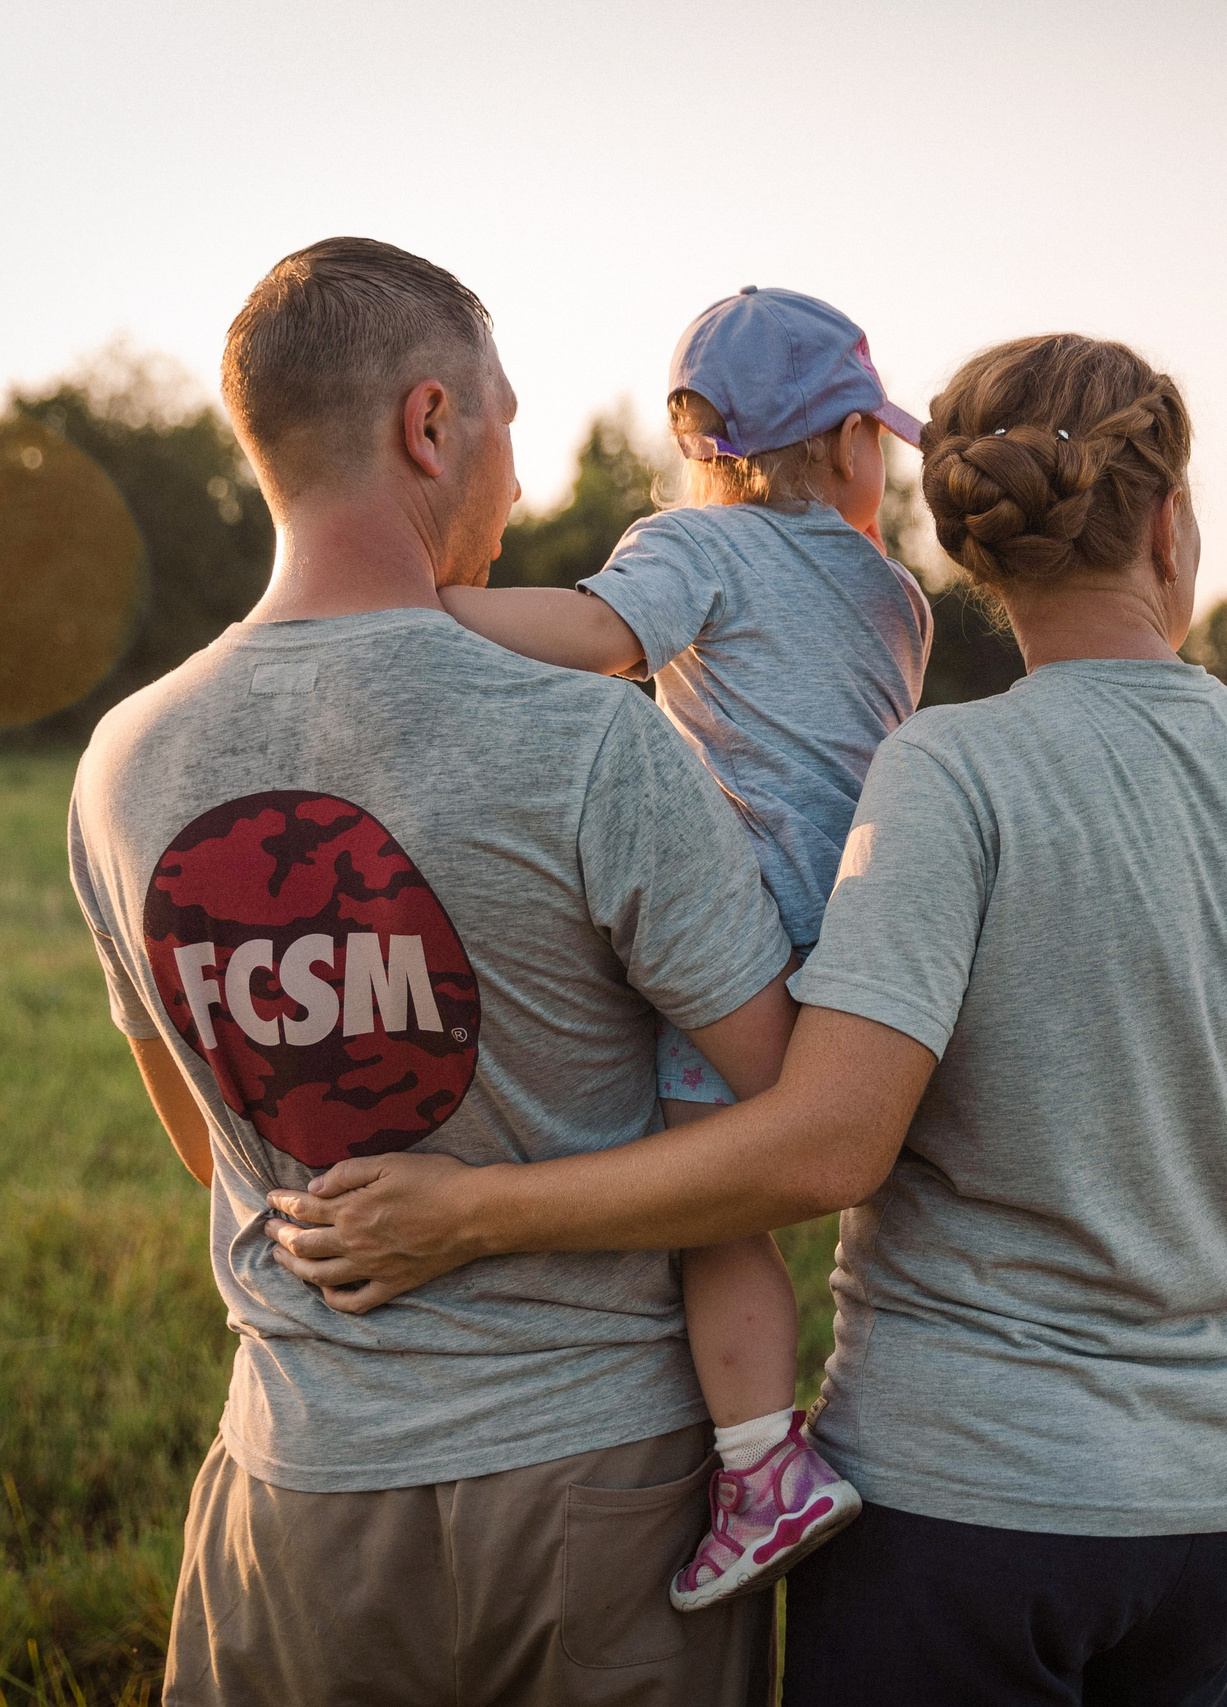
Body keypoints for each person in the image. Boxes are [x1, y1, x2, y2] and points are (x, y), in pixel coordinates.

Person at [266, 332, 1227, 1706]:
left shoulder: (952, 771)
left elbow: (827, 1148)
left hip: (969, 1501)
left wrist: (471, 1213)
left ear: (977, 552)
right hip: (1218, 1496)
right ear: (1170, 528)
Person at [65, 236, 795, 1706]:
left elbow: (206, 1135)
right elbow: (780, 1123)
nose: (518, 484)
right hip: (599, 1512)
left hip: (297, 1498)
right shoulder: (591, 737)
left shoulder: (121, 763)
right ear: (429, 423)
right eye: (508, 423)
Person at [437, 285, 934, 1609]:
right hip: (876, 941)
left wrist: (424, 609)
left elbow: (601, 639)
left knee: (712, 1215)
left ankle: (763, 1466)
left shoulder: (700, 547)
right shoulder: (895, 595)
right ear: (845, 446)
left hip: (746, 932)